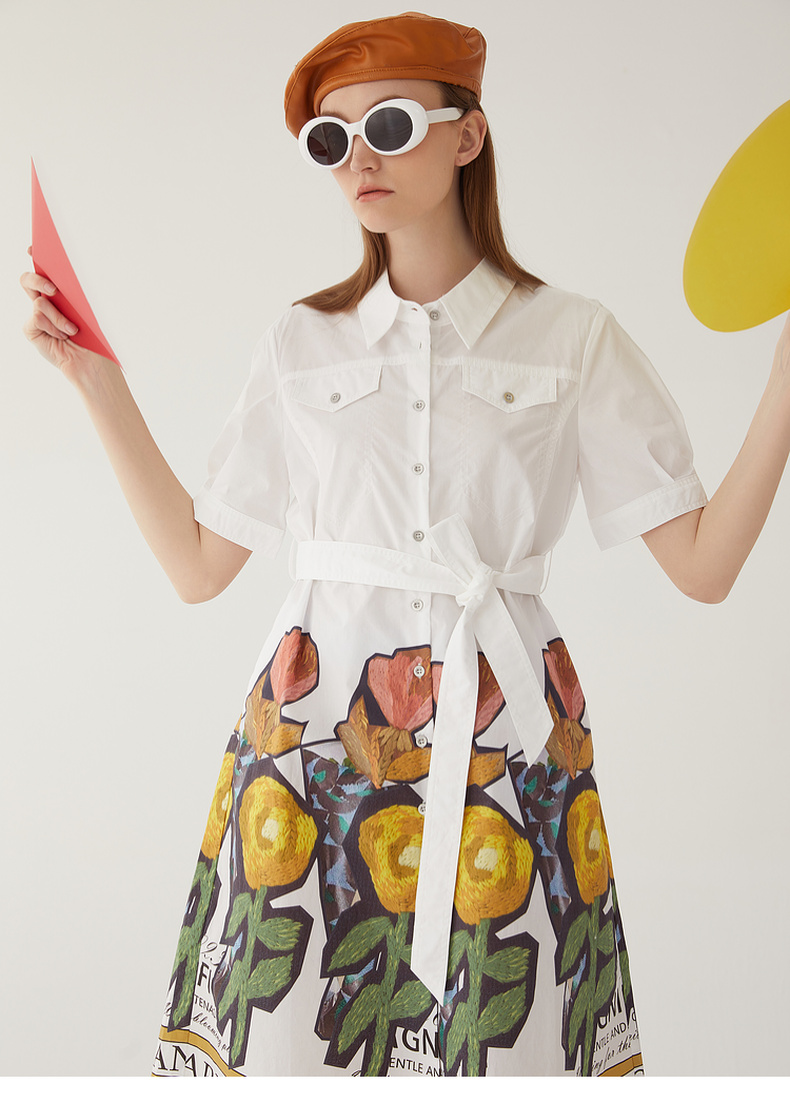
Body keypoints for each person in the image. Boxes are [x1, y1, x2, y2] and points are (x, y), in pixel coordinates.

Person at [19, 10, 790, 1080]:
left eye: (386, 125)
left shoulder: (572, 336)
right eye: (330, 140)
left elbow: (703, 566)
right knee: (294, 1039)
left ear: (468, 134)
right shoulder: (302, 341)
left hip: (507, 735)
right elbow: (198, 565)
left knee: (506, 1036)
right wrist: (94, 381)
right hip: (315, 743)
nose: (358, 160)